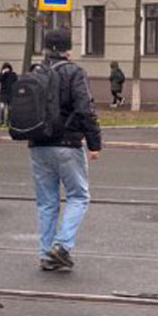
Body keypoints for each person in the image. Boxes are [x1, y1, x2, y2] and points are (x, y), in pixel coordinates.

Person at [30, 28, 102, 272]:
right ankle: (61, 246)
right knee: (79, 196)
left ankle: (46, 254)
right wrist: (94, 143)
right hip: (68, 144)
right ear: (68, 50)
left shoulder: (36, 72)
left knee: (47, 202)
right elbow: (85, 108)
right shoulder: (74, 72)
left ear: (46, 48)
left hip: (38, 145)